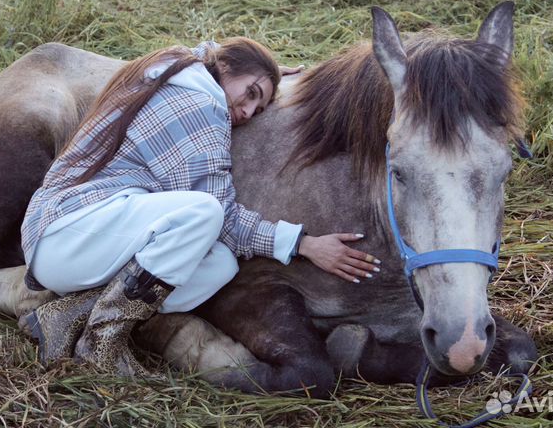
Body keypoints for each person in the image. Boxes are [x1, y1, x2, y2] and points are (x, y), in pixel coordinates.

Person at [20, 38, 381, 376]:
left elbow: (212, 53)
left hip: (85, 238)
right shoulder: (199, 104)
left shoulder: (181, 70)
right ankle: (102, 342)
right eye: (251, 94)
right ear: (224, 66)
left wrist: (265, 72)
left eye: (259, 107)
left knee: (219, 263)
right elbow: (222, 217)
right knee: (204, 212)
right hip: (66, 228)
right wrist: (304, 244)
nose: (249, 111)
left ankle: (69, 313)